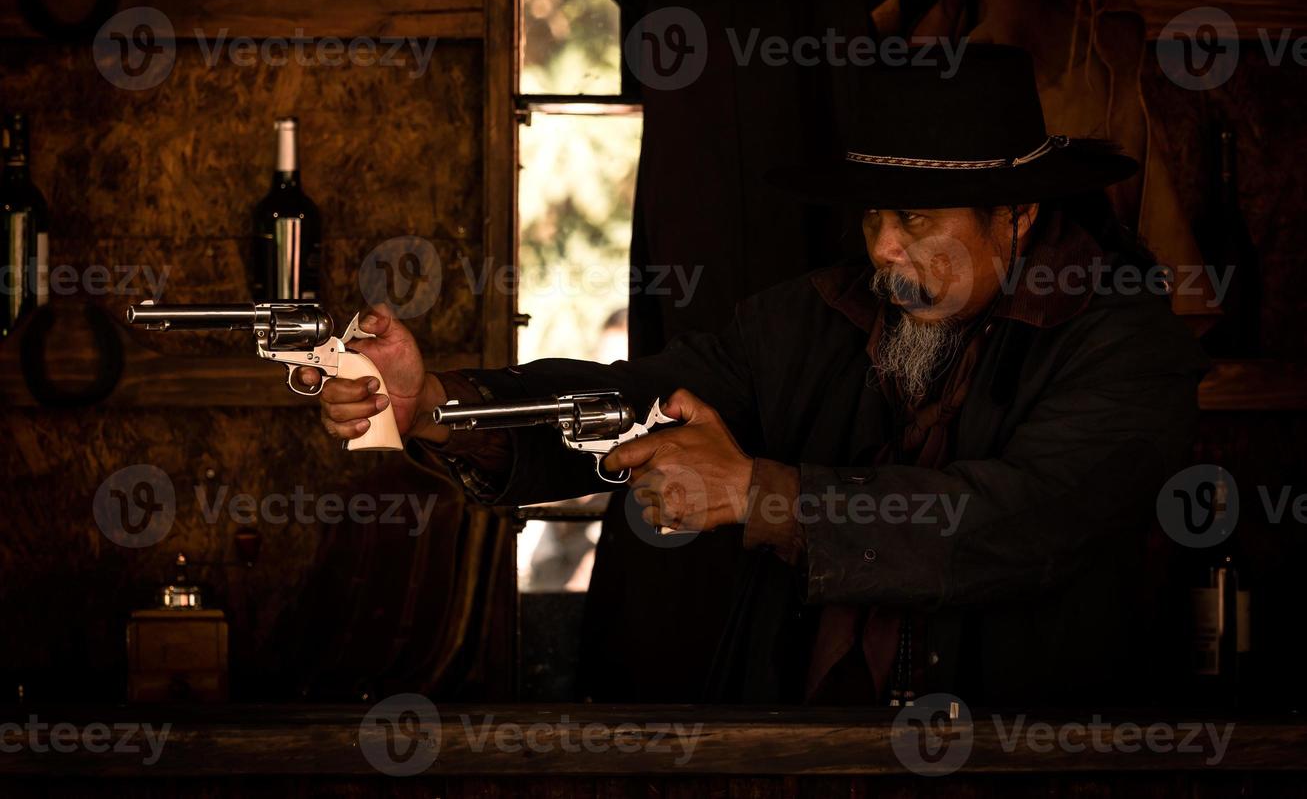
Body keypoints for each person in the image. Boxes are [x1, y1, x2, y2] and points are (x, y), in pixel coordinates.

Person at [300, 46, 1208, 707]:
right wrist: (438, 406)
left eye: (918, 219)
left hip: (1029, 764)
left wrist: (757, 494)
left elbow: (1021, 523)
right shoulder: (806, 318)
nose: (884, 249)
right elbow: (629, 404)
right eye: (871, 218)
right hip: (797, 755)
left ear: (1015, 216)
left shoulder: (1122, 344)